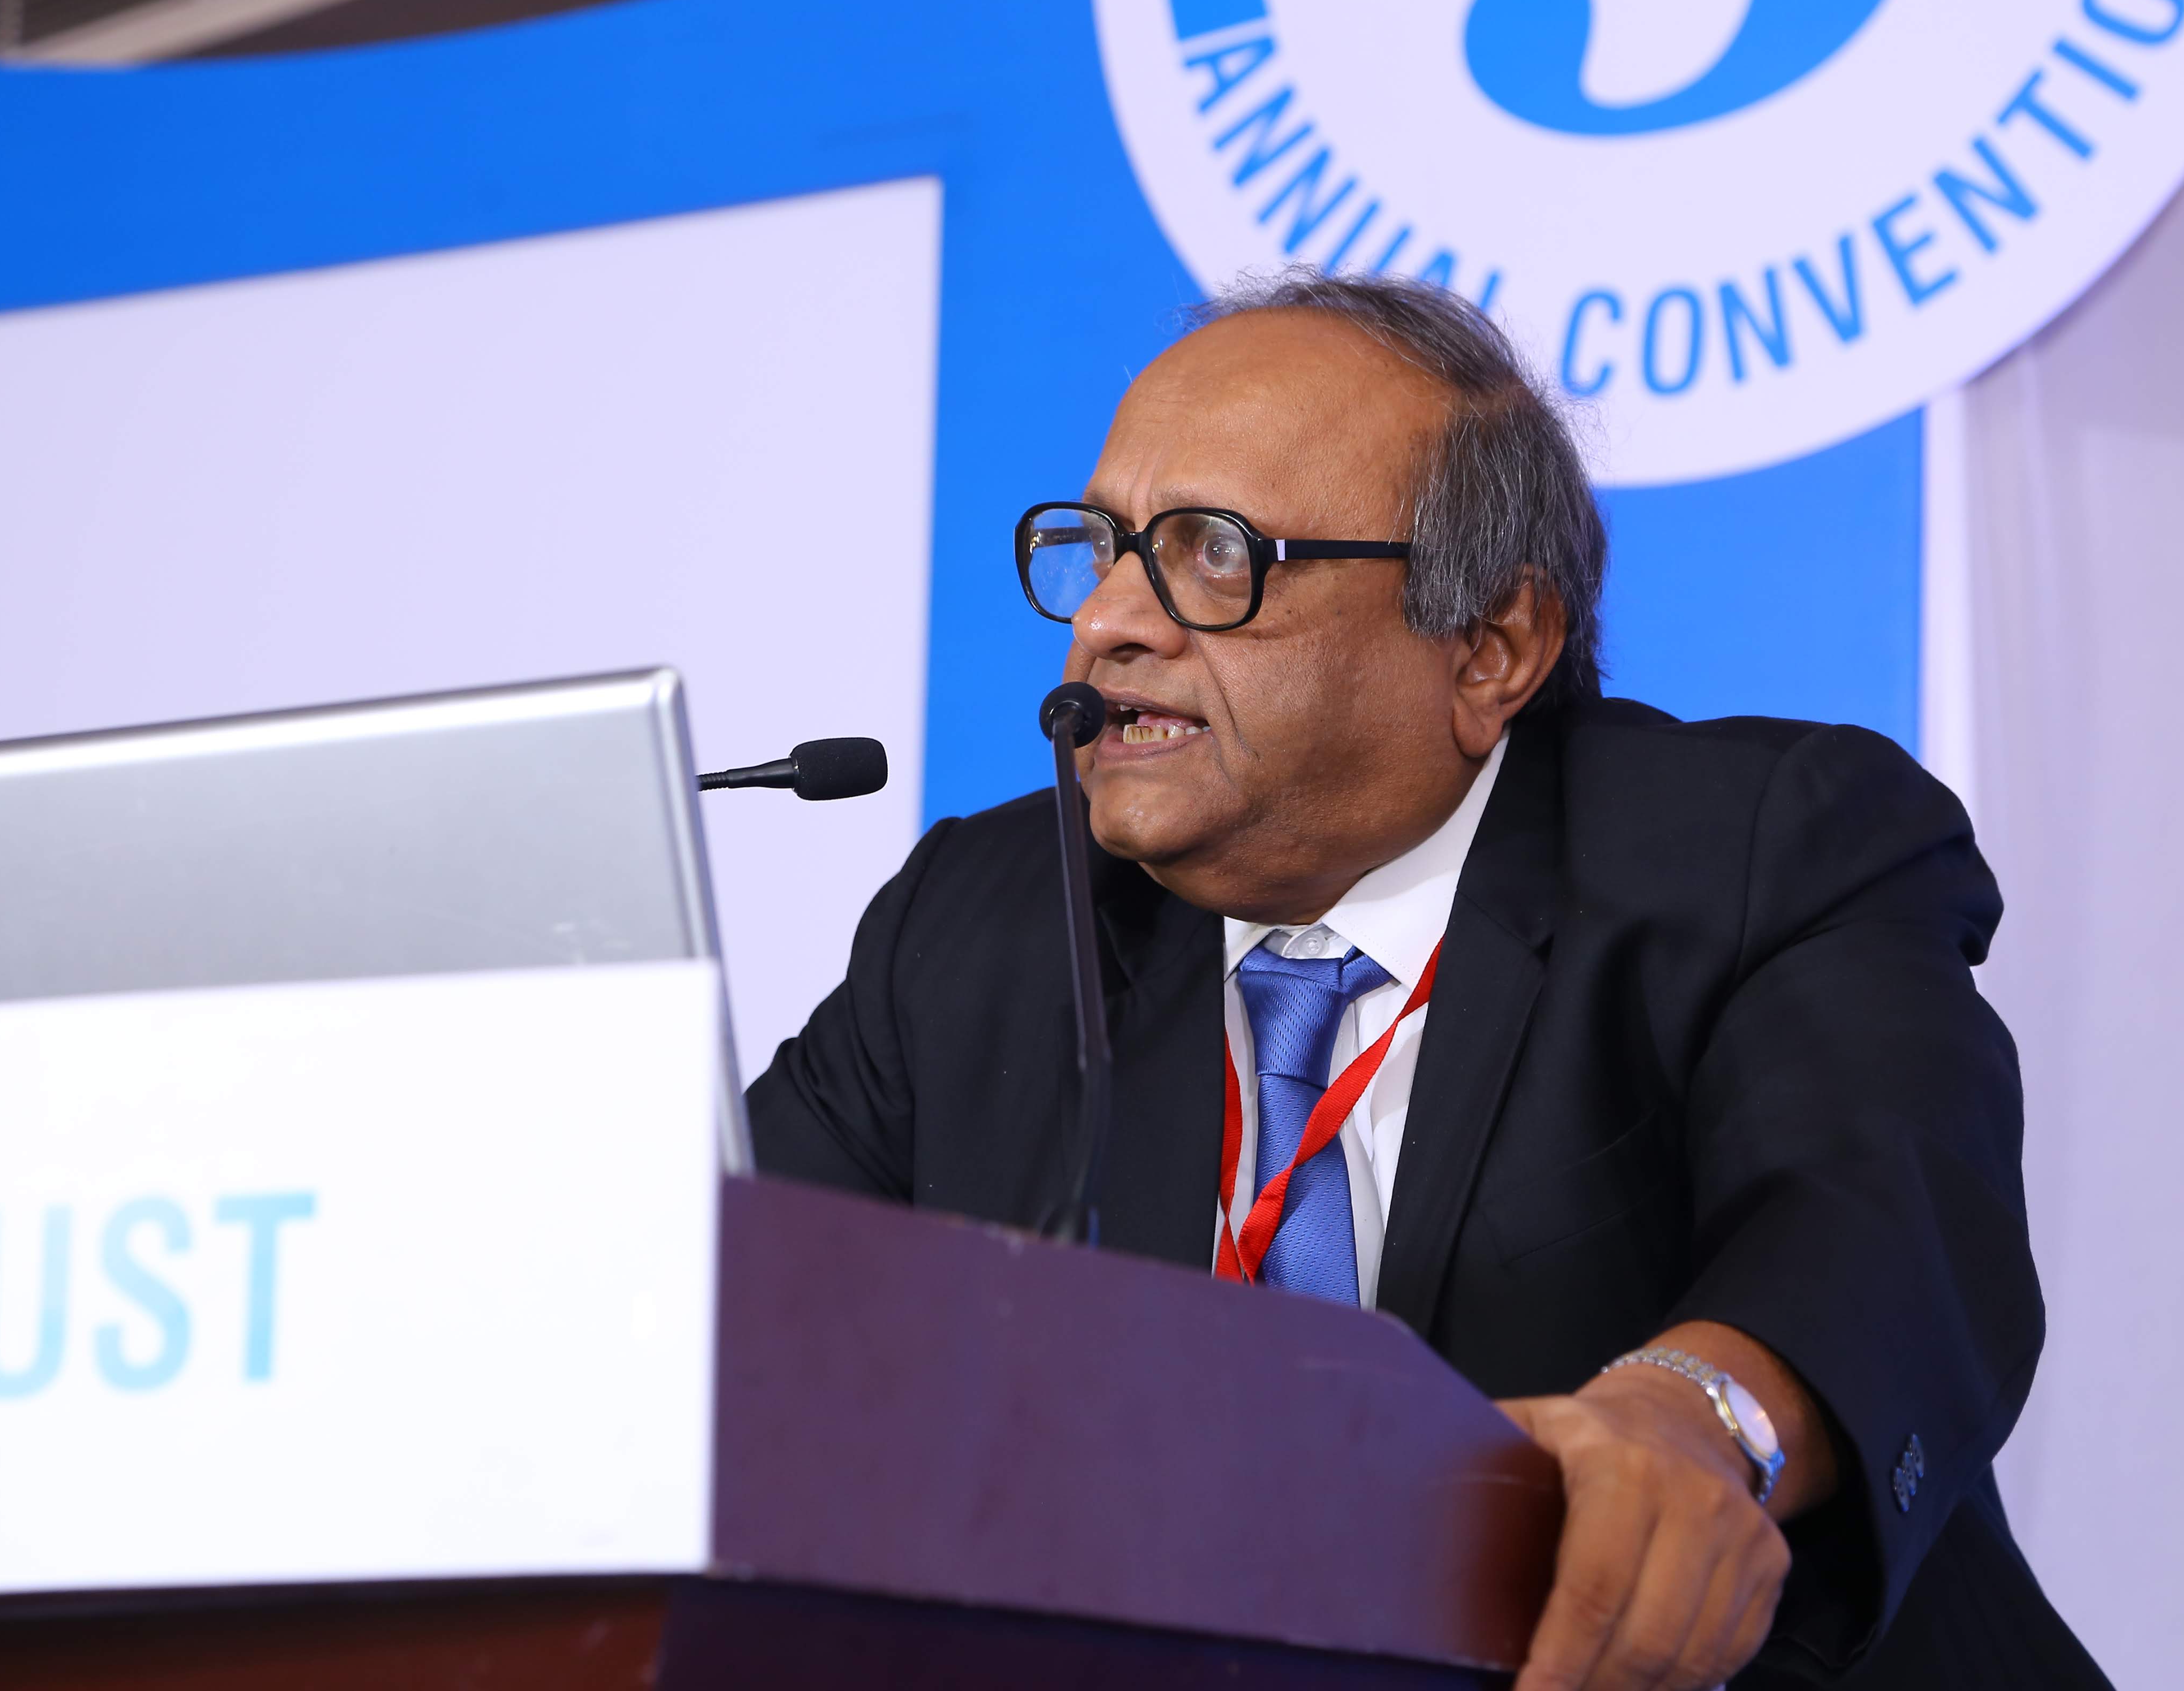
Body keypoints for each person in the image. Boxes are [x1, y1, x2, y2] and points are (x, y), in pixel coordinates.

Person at [748, 272, 2107, 1690]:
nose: (1107, 623)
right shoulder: (982, 926)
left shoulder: (1754, 851)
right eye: (1100, 548)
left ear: (1491, 648)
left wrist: (1698, 1417)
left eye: (1214, 554)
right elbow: (726, 1312)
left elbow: (1882, 1217)